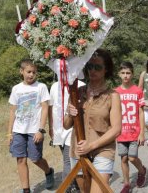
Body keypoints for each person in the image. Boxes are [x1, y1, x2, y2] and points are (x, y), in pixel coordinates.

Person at [64, 49, 121, 193]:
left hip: (103, 149)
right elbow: (66, 125)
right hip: (79, 150)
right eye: (89, 66)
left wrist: (92, 145)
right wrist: (70, 112)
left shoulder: (113, 96)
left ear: (106, 69)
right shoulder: (77, 92)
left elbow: (116, 129)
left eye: (97, 67)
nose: (92, 70)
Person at [7, 59, 54, 193]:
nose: (31, 75)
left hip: (34, 130)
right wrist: (9, 133)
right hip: (18, 130)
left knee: (35, 158)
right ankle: (26, 189)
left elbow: (45, 108)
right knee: (21, 159)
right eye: (28, 72)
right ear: (21, 72)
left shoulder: (41, 87)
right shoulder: (16, 89)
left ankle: (48, 171)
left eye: (34, 72)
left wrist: (41, 130)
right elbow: (12, 111)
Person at [115, 62, 147, 193]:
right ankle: (127, 184)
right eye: (123, 73)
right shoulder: (115, 92)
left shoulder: (138, 91)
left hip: (134, 131)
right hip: (121, 132)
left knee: (132, 157)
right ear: (119, 74)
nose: (125, 75)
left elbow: (141, 112)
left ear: (132, 74)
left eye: (128, 73)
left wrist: (142, 133)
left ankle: (142, 170)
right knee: (123, 158)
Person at [49, 79, 84, 191]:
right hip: (59, 130)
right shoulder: (54, 86)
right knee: (68, 160)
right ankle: (75, 185)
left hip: (72, 130)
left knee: (69, 160)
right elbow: (51, 107)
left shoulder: (81, 86)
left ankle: (69, 187)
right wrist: (50, 127)